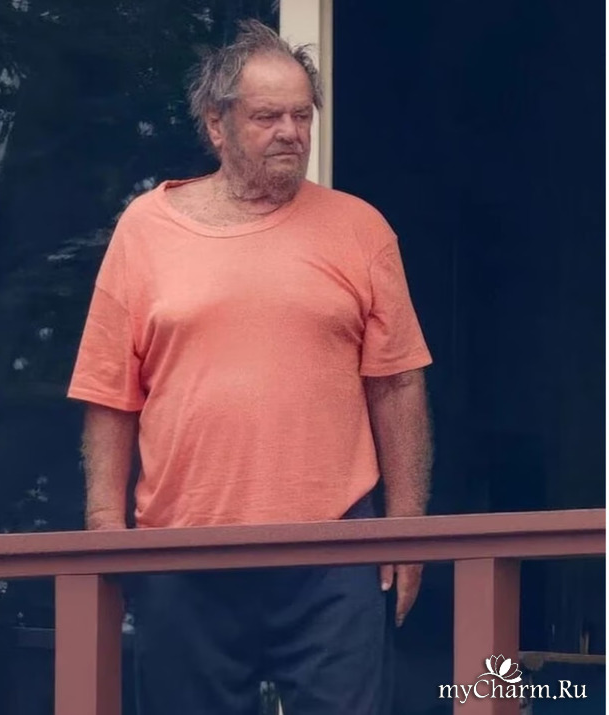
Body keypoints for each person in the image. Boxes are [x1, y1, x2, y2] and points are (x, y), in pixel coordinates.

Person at [68, 19, 432, 715]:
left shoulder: (361, 228)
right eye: (268, 117)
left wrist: (407, 527)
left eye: (302, 115)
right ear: (217, 124)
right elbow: (110, 388)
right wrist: (105, 528)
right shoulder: (145, 228)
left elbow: (399, 383)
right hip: (181, 552)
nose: (291, 132)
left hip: (333, 553)